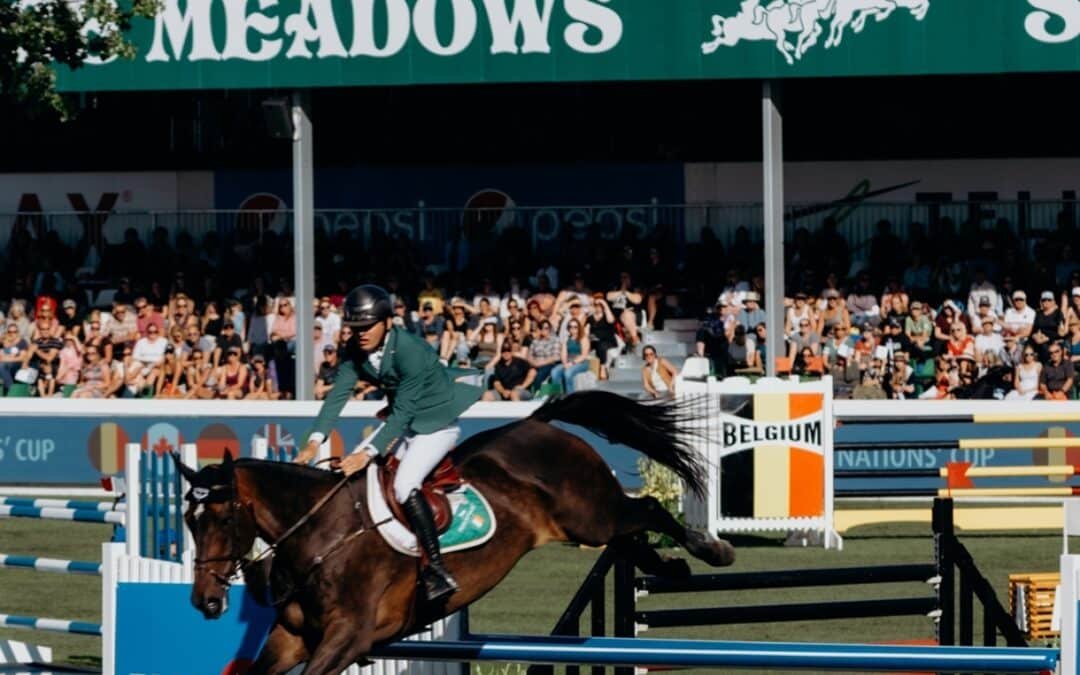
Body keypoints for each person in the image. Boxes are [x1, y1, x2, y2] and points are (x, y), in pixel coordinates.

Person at [294, 285, 482, 603]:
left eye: (368, 326)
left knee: (404, 486)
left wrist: (367, 453)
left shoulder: (410, 349)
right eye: (355, 327)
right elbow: (337, 396)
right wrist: (313, 443)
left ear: (387, 322)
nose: (361, 334)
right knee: (352, 476)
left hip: (435, 423)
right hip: (404, 420)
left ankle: (436, 569)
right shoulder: (355, 349)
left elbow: (403, 412)